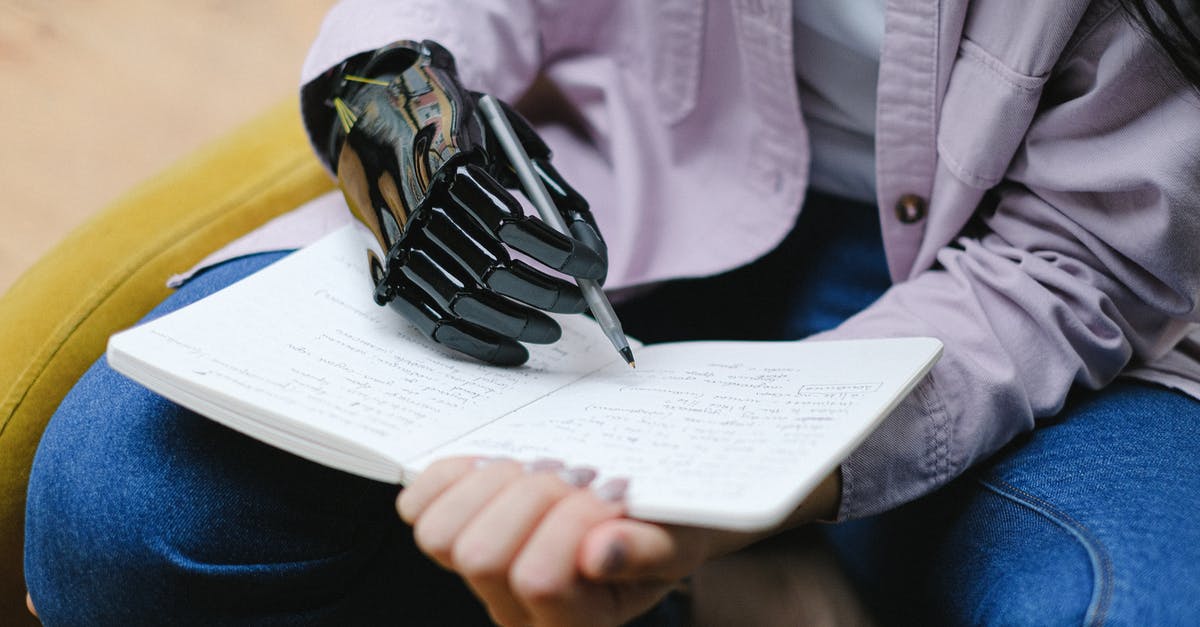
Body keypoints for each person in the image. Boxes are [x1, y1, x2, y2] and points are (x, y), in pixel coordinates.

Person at [24, 0, 1200, 624]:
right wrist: (395, 102)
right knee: (119, 510)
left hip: (1062, 331)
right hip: (622, 207)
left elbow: (1083, 265)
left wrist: (743, 480)